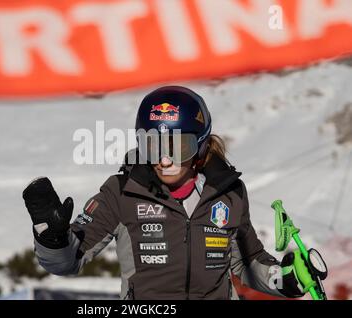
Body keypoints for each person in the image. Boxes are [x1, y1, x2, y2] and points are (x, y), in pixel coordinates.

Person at [22, 86, 321, 299]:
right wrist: (52, 238)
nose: (164, 160)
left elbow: (246, 261)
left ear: (201, 146)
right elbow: (66, 262)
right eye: (153, 146)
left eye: (178, 147)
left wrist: (284, 279)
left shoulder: (229, 193)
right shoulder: (122, 191)